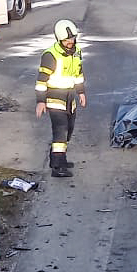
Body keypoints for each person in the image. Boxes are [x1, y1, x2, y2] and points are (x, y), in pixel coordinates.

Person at [34, 19, 85, 178]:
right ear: (59, 39)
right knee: (60, 132)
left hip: (70, 98)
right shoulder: (50, 55)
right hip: (55, 98)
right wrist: (41, 102)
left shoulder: (77, 51)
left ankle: (58, 159)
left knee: (68, 131)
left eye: (72, 39)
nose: (70, 42)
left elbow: (78, 74)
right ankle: (57, 167)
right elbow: (41, 81)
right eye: (66, 40)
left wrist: (81, 92)